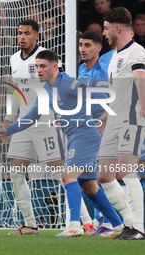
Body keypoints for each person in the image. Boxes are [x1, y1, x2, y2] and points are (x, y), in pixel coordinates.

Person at [0, 49, 124, 238]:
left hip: (85, 135)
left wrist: (102, 118)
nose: (38, 70)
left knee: (67, 175)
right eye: (36, 66)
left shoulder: (68, 83)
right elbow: (31, 117)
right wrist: (8, 130)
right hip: (74, 137)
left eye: (43, 66)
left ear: (55, 67)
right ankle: (119, 225)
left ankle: (74, 225)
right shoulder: (46, 90)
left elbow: (101, 99)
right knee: (88, 185)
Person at [0, 19, 68, 236]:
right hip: (23, 125)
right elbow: (15, 91)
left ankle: (82, 221)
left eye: (27, 33)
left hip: (47, 123)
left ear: (37, 35)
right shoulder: (14, 58)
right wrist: (9, 120)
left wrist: (62, 116)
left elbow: (61, 86)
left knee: (60, 176)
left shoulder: (48, 56)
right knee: (16, 174)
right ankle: (30, 225)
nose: (22, 37)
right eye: (19, 33)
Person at [98, 7, 145, 240]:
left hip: (132, 120)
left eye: (106, 29)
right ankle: (129, 223)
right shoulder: (114, 56)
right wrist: (105, 116)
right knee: (105, 176)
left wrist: (144, 107)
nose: (104, 33)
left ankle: (140, 227)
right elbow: (117, 93)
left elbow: (140, 79)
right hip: (114, 121)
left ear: (117, 28)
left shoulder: (137, 52)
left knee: (127, 171)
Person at [78, 30, 116, 236]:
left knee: (103, 176)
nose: (83, 49)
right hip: (89, 129)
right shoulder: (81, 70)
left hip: (109, 125)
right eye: (81, 45)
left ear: (99, 48)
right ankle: (103, 221)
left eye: (88, 45)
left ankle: (112, 223)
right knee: (91, 177)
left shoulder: (106, 65)